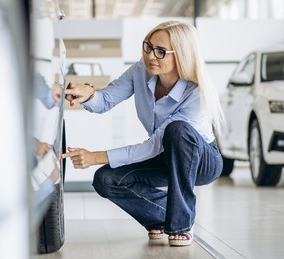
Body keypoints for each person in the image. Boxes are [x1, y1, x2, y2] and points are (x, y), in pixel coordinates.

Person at [61, 20, 225, 246]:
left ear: (182, 55)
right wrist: (88, 94)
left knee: (178, 130)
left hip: (201, 161)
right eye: (148, 46)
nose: (151, 56)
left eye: (161, 52)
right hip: (165, 155)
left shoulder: (197, 93)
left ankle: (181, 223)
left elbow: (155, 144)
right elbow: (107, 99)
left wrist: (95, 156)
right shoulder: (142, 70)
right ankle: (160, 217)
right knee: (106, 179)